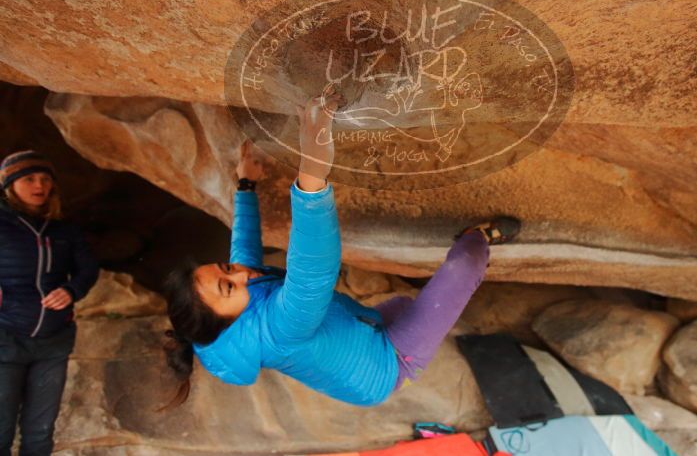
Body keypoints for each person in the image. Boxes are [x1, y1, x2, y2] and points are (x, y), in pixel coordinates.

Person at [161, 92, 520, 408]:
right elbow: (311, 271)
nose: (240, 274)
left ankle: (412, 305)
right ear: (227, 319)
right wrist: (312, 174)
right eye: (228, 286)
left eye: (224, 269)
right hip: (387, 367)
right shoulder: (277, 329)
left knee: (405, 306)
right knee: (463, 266)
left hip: (364, 327)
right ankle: (477, 236)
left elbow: (243, 247)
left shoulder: (237, 306)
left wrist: (245, 184)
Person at [0, 150, 100, 456]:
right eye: (29, 179)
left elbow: (88, 269)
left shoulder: (63, 228)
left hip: (53, 343)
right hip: (6, 339)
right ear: (9, 185)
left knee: (40, 434)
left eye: (44, 179)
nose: (38, 185)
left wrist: (71, 291)